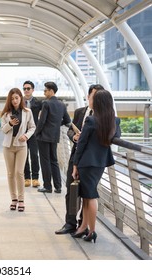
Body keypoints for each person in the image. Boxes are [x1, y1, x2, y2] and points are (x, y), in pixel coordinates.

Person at [71, 89, 120, 243]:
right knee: (87, 195)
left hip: (86, 163)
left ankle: (92, 231)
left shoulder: (91, 120)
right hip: (100, 163)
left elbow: (82, 144)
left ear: (98, 103)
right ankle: (83, 227)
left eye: (93, 99)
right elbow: (116, 137)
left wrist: (75, 165)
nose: (90, 101)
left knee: (90, 196)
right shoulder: (114, 120)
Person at [55, 84, 104, 235]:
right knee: (71, 190)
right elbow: (70, 129)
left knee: (87, 193)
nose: (94, 99)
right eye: (93, 96)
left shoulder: (104, 115)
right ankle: (70, 223)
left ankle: (84, 225)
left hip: (91, 161)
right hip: (76, 156)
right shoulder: (80, 112)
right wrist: (74, 136)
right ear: (88, 96)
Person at [1, 88, 36, 212]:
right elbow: (3, 130)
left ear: (20, 98)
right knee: (10, 173)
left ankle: (21, 200)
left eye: (16, 98)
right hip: (8, 146)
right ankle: (13, 199)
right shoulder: (6, 113)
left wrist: (26, 135)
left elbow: (32, 127)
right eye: (12, 99)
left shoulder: (27, 111)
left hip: (21, 145)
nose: (14, 100)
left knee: (19, 172)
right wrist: (10, 124)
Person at [36, 81, 71, 194]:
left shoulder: (46, 104)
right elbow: (67, 121)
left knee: (45, 161)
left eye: (45, 90)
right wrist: (56, 125)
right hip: (55, 136)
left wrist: (37, 133)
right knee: (54, 161)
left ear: (51, 91)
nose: (44, 92)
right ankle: (58, 186)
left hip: (44, 136)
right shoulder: (61, 104)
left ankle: (47, 186)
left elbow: (42, 121)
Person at [22, 81, 42, 188]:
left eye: (28, 88)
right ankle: (26, 178)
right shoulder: (19, 101)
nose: (26, 90)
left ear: (33, 90)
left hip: (34, 133)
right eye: (24, 88)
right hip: (23, 133)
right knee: (24, 156)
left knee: (34, 155)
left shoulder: (38, 102)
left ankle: (35, 178)